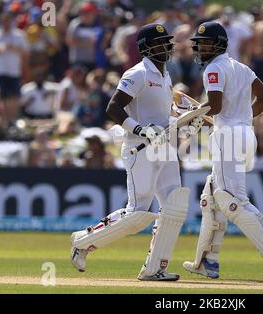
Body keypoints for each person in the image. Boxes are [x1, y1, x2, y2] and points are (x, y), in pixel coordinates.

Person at [70, 23, 193, 281]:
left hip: (165, 147)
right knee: (138, 213)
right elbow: (113, 108)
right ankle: (82, 241)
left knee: (174, 206)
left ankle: (155, 268)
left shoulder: (165, 75)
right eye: (160, 43)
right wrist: (139, 129)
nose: (166, 47)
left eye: (167, 43)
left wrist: (184, 117)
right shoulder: (138, 73)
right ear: (147, 48)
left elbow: (161, 113)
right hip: (141, 148)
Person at [182, 22, 263, 281]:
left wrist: (191, 115)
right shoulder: (243, 68)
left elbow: (216, 106)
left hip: (228, 136)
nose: (201, 48)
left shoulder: (213, 68)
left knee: (230, 198)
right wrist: (242, 117)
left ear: (219, 44)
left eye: (206, 43)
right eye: (200, 44)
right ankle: (207, 260)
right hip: (245, 133)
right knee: (211, 197)